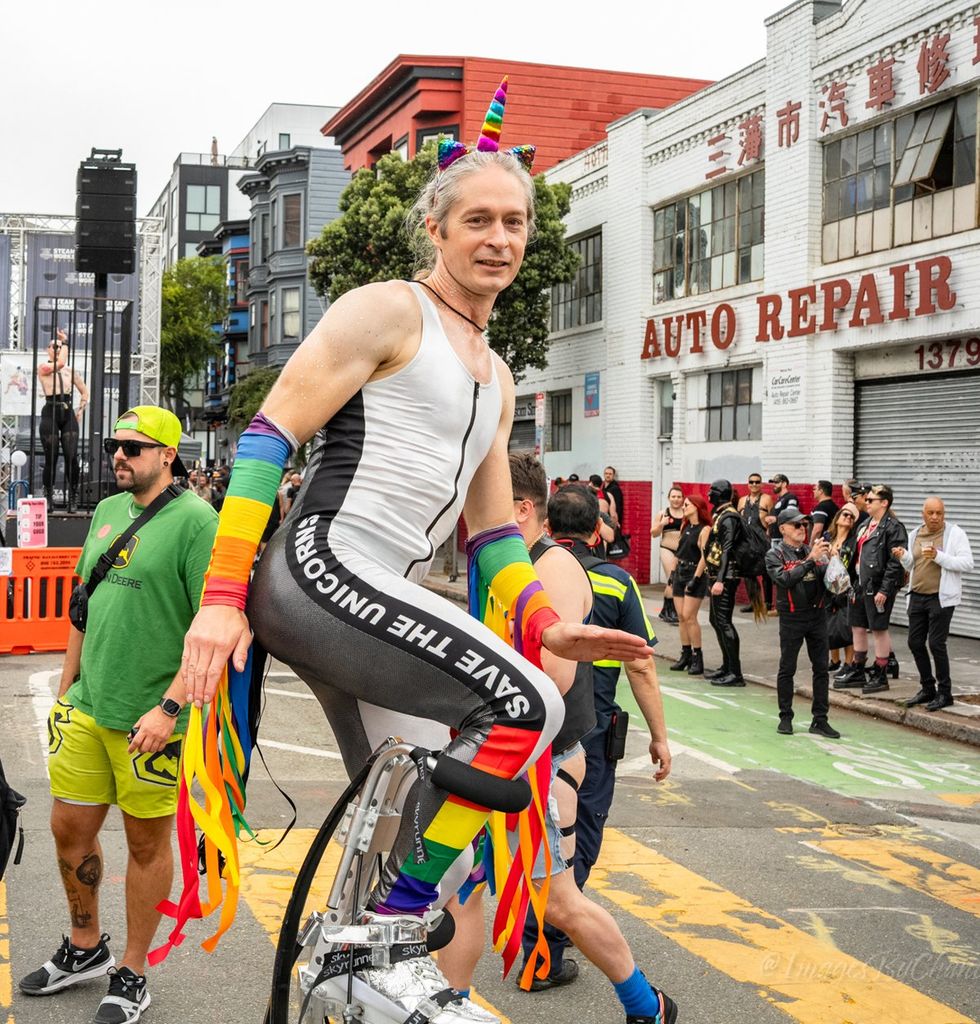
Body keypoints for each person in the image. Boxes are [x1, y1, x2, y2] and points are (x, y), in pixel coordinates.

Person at [180, 82, 653, 1024]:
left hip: (377, 588)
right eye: (478, 218)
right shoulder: (389, 311)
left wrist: (555, 625)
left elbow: (492, 539)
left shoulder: (499, 374)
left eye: (516, 222)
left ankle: (360, 964)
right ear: (435, 229)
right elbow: (270, 437)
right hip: (320, 565)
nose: (501, 239)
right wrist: (221, 597)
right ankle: (378, 937)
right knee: (525, 706)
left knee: (445, 805)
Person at [440, 461, 677, 1024]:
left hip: (541, 763)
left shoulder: (556, 567)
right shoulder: (498, 565)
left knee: (557, 902)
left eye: (481, 500)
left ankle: (648, 1005)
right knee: (462, 886)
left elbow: (554, 675)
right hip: (489, 752)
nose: (469, 516)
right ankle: (448, 1003)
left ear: (522, 508)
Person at [19, 406, 217, 1024]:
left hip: (153, 720)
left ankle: (133, 969)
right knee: (68, 831)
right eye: (115, 445)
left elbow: (210, 632)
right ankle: (85, 947)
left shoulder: (196, 523)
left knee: (144, 843)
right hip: (87, 710)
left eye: (134, 447)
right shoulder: (107, 513)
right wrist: (66, 686)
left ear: (167, 455)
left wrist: (169, 708)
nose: (120, 456)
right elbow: (83, 602)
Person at [525, 483, 672, 1006]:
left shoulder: (527, 570)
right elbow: (641, 663)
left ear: (546, 525)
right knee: (576, 841)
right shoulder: (614, 582)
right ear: (597, 530)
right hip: (589, 729)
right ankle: (546, 951)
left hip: (528, 727)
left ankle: (535, 937)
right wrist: (659, 736)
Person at [892, 497, 975, 711]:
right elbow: (914, 563)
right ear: (923, 514)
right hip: (917, 596)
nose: (935, 517)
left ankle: (944, 693)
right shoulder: (914, 534)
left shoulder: (955, 534)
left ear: (944, 514)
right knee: (915, 642)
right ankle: (927, 688)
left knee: (936, 644)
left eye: (939, 513)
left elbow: (967, 563)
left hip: (941, 597)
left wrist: (939, 556)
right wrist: (903, 556)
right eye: (931, 513)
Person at [765, 508, 841, 738]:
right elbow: (785, 579)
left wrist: (835, 561)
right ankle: (785, 717)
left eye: (804, 525)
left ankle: (820, 719)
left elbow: (836, 585)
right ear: (783, 529)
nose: (802, 529)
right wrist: (810, 560)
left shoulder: (814, 551)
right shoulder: (775, 555)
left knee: (821, 669)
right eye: (797, 525)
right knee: (787, 667)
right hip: (791, 617)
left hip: (817, 615)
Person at [843, 484, 907, 695]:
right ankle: (858, 668)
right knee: (858, 626)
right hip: (860, 584)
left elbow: (895, 562)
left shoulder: (893, 527)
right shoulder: (866, 524)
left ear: (884, 502)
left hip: (878, 586)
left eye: (870, 500)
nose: (866, 503)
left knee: (879, 628)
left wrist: (885, 590)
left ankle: (881, 672)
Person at [37, 328, 89, 510]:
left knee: (71, 456)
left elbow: (84, 391)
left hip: (67, 412)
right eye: (54, 346)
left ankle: (73, 497)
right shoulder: (44, 367)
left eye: (59, 347)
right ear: (47, 349)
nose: (57, 349)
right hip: (50, 411)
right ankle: (48, 497)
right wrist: (65, 342)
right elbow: (59, 364)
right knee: (51, 457)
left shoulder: (70, 370)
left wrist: (81, 409)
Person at [703, 479, 746, 686]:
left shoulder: (729, 518)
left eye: (712, 491)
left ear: (720, 494)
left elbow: (727, 549)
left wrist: (720, 580)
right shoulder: (721, 514)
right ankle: (726, 667)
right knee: (716, 620)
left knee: (724, 621)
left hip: (726, 577)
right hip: (718, 575)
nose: (708, 494)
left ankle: (735, 673)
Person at [669, 494, 712, 677]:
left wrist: (696, 578)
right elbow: (678, 553)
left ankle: (697, 656)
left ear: (696, 506)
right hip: (680, 571)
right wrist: (672, 574)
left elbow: (705, 556)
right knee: (680, 616)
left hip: (695, 573)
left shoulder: (705, 529)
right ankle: (685, 654)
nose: (684, 507)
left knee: (690, 616)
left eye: (686, 504)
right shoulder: (685, 526)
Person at [825, 502, 860, 679]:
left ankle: (848, 663)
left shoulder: (853, 542)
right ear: (837, 517)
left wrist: (837, 557)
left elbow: (854, 566)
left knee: (847, 627)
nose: (847, 517)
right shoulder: (827, 537)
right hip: (828, 587)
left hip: (846, 587)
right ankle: (834, 660)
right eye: (845, 514)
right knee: (829, 624)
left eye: (851, 516)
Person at [762, 474, 799, 614]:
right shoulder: (780, 499)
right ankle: (779, 605)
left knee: (781, 571)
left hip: (782, 540)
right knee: (776, 573)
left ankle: (781, 606)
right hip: (775, 538)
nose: (774, 485)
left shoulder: (791, 498)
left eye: (776, 483)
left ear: (784, 483)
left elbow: (792, 515)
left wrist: (775, 518)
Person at [738, 472, 773, 614]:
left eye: (757, 482)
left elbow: (772, 519)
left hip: (762, 540)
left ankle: (768, 603)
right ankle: (754, 603)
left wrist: (768, 535)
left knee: (765, 572)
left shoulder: (767, 499)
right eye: (751, 482)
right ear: (748, 484)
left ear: (761, 484)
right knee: (747, 572)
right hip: (747, 540)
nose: (754, 484)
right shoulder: (742, 500)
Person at [650, 486, 685, 623]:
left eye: (679, 497)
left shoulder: (686, 513)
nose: (676, 499)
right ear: (669, 498)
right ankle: (672, 611)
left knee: (676, 580)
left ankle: (665, 610)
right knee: (673, 578)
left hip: (682, 551)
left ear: (682, 498)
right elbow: (654, 534)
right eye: (673, 497)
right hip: (667, 548)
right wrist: (662, 525)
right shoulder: (663, 513)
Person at [602, 466, 624, 530]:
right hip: (604, 518)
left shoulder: (615, 489)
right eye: (606, 473)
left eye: (610, 474)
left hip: (611, 520)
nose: (608, 475)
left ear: (613, 475)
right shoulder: (603, 487)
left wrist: (615, 521)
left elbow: (617, 507)